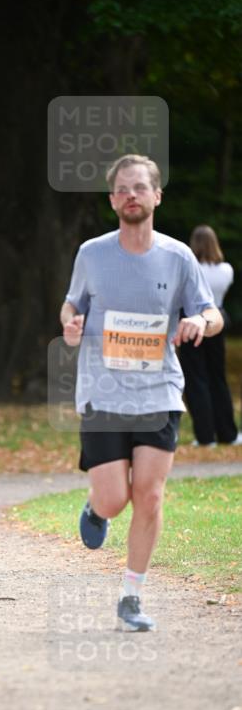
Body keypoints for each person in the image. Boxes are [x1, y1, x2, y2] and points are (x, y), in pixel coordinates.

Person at [60, 154, 223, 632]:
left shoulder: (177, 257)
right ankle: (96, 507)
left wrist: (198, 321)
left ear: (156, 196)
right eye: (123, 189)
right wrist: (70, 325)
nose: (131, 195)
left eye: (140, 187)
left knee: (149, 496)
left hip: (159, 392)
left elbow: (212, 315)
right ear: (113, 201)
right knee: (115, 500)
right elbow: (72, 304)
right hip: (103, 393)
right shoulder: (92, 253)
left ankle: (131, 595)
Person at [179, 225, 241, 447]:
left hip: (191, 322)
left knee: (196, 380)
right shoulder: (226, 270)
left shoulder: (189, 269)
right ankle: (228, 433)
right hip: (217, 323)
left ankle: (205, 436)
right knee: (218, 378)